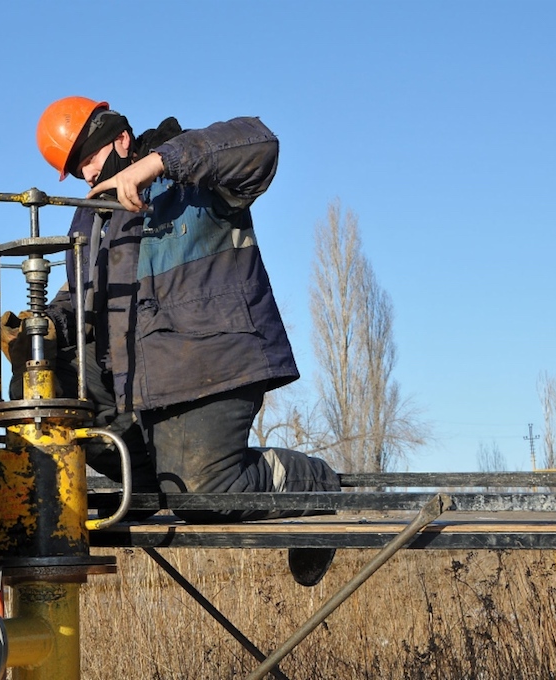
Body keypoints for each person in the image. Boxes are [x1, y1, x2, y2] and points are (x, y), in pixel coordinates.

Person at [33, 97, 340, 586]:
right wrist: (44, 327)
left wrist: (158, 164)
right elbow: (80, 298)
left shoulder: (191, 175)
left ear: (121, 139)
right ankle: (153, 482)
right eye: (76, 169)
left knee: (203, 495)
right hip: (138, 382)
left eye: (88, 158)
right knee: (43, 381)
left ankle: (317, 484)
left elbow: (260, 143)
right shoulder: (90, 216)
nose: (87, 174)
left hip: (209, 363)